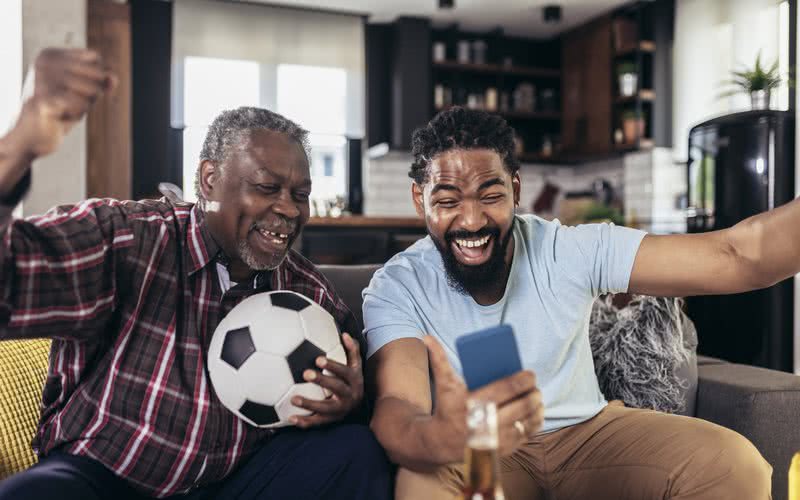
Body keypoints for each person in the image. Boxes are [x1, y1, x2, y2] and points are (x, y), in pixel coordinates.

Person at [0, 48, 392, 500]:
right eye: (267, 187)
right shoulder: (129, 241)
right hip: (104, 477)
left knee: (354, 451)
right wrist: (22, 142)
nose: (288, 209)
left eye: (299, 194)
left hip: (233, 484)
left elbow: (357, 397)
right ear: (209, 180)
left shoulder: (309, 292)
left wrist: (349, 402)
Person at [364, 106, 784, 500]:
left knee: (732, 463)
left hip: (588, 434)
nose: (472, 221)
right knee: (421, 479)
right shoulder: (399, 285)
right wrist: (441, 436)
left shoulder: (567, 249)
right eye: (448, 201)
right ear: (421, 200)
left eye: (490, 196)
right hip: (477, 444)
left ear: (514, 188)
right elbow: (397, 406)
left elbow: (738, 256)